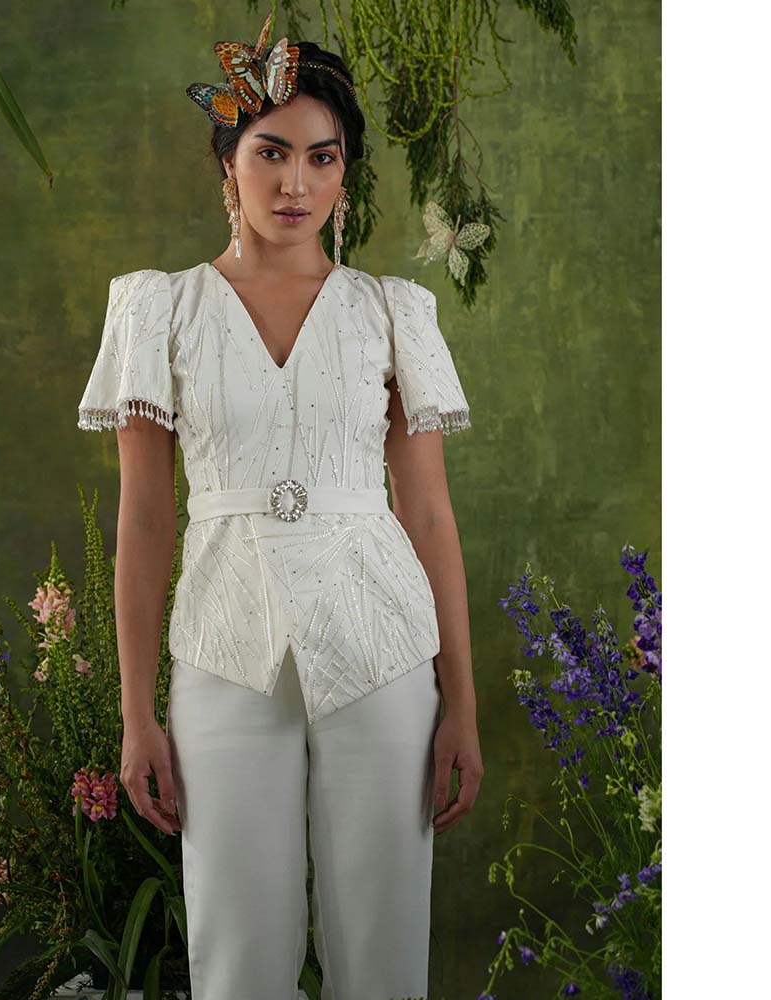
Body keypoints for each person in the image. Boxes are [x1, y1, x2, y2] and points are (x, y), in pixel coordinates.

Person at [77, 11, 483, 999]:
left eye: (320, 157)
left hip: (384, 651)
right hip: (223, 649)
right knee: (237, 953)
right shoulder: (159, 310)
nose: (294, 182)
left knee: (383, 952)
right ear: (229, 164)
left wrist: (461, 706)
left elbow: (428, 515)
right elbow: (146, 521)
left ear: (343, 174)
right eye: (271, 153)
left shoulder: (391, 313)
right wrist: (137, 714)